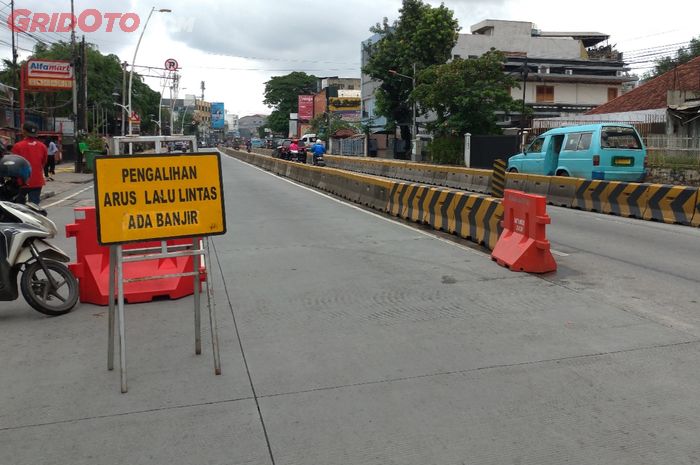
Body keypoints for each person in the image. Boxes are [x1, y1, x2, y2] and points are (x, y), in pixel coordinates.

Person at [11, 122, 47, 205]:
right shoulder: (42, 146)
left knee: (18, 207)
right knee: (34, 207)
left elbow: (14, 164)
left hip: (21, 181)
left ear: (24, 131)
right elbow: (43, 163)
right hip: (37, 181)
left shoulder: (17, 146)